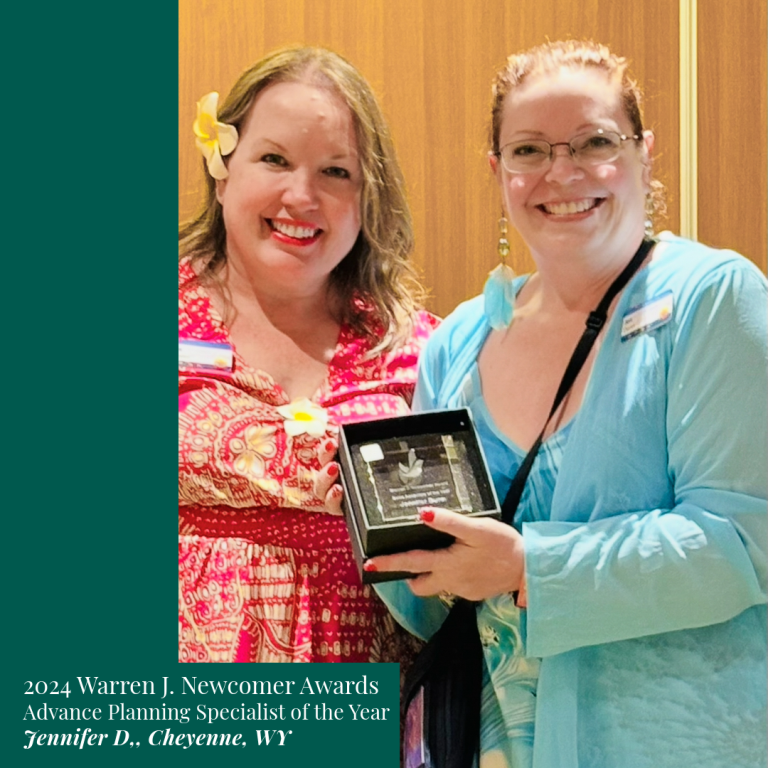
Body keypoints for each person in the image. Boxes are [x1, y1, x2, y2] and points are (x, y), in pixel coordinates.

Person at [366, 40, 767, 768]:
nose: (563, 172)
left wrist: (526, 567)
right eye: (529, 149)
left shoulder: (714, 299)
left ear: (644, 153)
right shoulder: (457, 344)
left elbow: (743, 543)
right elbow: (443, 611)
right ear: (498, 172)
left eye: (595, 142)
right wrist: (388, 538)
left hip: (676, 744)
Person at [178, 46, 438, 664]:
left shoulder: (426, 350)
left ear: (367, 196)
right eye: (274, 159)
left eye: (336, 172)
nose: (302, 196)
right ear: (222, 170)